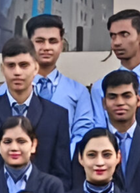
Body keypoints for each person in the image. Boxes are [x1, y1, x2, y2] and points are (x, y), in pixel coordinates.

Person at [0, 38, 72, 186]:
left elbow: (62, 175)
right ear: (2, 69)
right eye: (11, 66)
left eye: (23, 65)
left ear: (35, 68)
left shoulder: (56, 116)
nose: (17, 72)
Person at [25, 14, 96, 145]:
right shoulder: (8, 90)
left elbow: (82, 134)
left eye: (53, 41)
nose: (46, 47)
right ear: (28, 43)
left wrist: (64, 161)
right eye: (40, 41)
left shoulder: (79, 92)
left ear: (61, 45)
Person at [91, 9, 140, 128]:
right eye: (113, 36)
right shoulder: (100, 87)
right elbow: (99, 129)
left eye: (124, 34)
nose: (116, 42)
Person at [0, 117, 65, 193]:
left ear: (33, 145)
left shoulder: (51, 186)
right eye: (7, 141)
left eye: (21, 141)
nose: (14, 148)